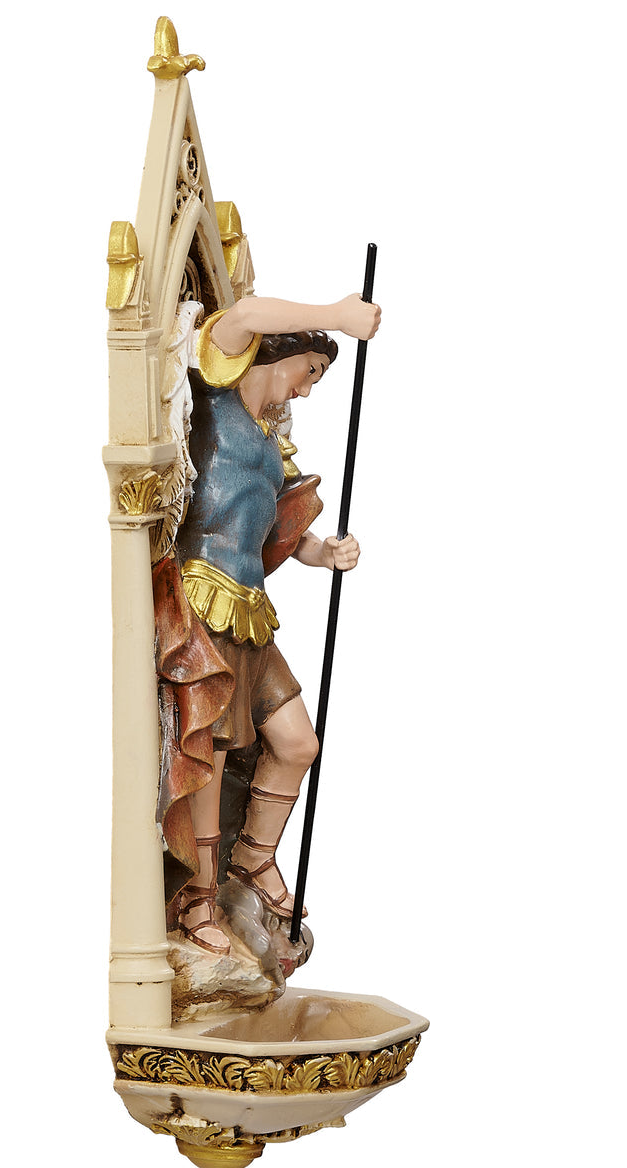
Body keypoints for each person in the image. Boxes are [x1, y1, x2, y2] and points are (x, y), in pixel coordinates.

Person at [169, 292, 380, 954]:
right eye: (311, 371)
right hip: (203, 603)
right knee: (210, 753)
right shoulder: (217, 387)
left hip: (253, 612)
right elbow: (248, 312)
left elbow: (284, 536)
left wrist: (328, 555)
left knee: (297, 744)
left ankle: (253, 859)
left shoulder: (270, 442)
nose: (308, 390)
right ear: (282, 353)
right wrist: (336, 315)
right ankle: (198, 897)